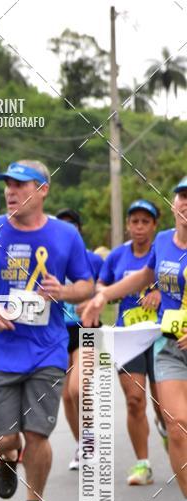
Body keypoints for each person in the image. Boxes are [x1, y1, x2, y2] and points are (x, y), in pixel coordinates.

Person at [0, 161, 94, 501]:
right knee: (3, 438)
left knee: (37, 433)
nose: (10, 192)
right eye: (7, 185)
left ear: (43, 189)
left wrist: (64, 291)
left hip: (48, 348)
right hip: (0, 349)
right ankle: (7, 457)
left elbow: (86, 286)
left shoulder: (65, 235)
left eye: (20, 185)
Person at [83, 178, 187, 501]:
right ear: (174, 205)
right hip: (167, 345)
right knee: (175, 425)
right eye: (183, 197)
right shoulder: (162, 243)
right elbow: (143, 275)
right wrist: (103, 296)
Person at [98, 200, 166, 485]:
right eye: (134, 221)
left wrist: (160, 295)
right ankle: (142, 464)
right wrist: (107, 294)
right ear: (127, 225)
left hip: (162, 334)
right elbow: (101, 285)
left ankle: (168, 432)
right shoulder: (116, 257)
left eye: (145, 222)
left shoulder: (163, 252)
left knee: (164, 405)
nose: (139, 227)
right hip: (127, 336)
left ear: (154, 225)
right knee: (135, 400)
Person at [55, 208, 104, 471]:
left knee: (78, 388)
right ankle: (82, 445)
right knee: (65, 395)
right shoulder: (49, 258)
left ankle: (89, 443)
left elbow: (112, 284)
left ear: (79, 230)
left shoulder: (93, 260)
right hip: (57, 331)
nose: (67, 230)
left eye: (72, 225)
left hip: (87, 329)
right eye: (62, 225)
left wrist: (94, 298)